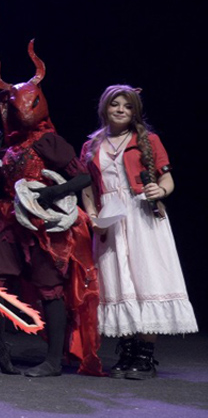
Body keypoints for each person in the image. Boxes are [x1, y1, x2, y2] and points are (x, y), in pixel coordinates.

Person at [0, 41, 102, 377]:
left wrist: (52, 194)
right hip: (9, 218)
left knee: (50, 287)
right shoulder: (8, 146)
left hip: (41, 224)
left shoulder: (47, 140)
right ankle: (2, 354)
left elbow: (83, 177)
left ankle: (53, 360)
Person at [81, 85, 197, 379]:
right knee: (117, 281)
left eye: (128, 106)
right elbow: (88, 188)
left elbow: (167, 179)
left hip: (141, 214)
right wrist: (92, 216)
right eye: (115, 104)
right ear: (104, 107)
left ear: (135, 111)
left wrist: (161, 190)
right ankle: (127, 350)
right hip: (110, 217)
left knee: (146, 277)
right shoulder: (92, 145)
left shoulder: (148, 140)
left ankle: (144, 356)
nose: (121, 110)